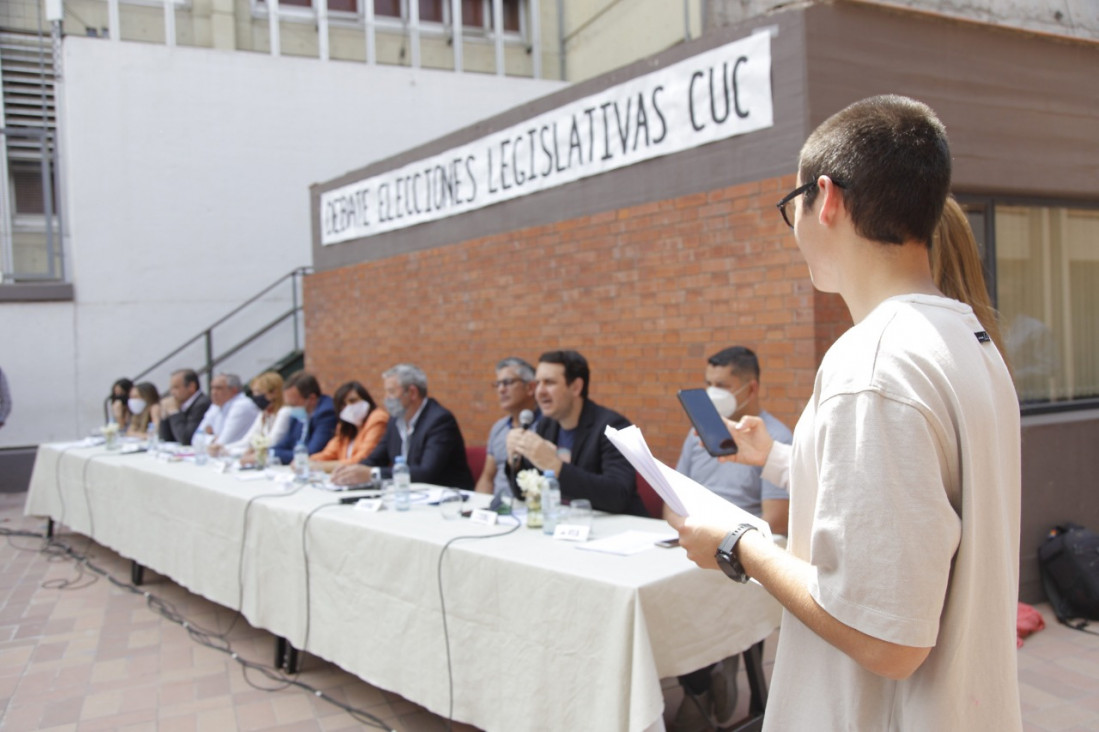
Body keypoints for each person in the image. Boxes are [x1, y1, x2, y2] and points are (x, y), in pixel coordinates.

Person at [670, 95, 1022, 730]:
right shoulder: (965, 341)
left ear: (824, 198)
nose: (795, 225)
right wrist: (780, 457)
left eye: (791, 208)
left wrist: (737, 545)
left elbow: (886, 639)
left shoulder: (872, 366)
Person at [668, 345, 792, 732]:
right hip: (688, 543)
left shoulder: (774, 440)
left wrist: (721, 538)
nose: (711, 393)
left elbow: (775, 522)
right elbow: (672, 502)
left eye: (721, 385)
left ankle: (706, 681)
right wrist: (687, 529)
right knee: (663, 600)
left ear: (749, 388)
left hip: (738, 554)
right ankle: (701, 681)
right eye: (707, 384)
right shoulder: (697, 437)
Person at [506, 350, 644, 516]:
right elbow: (523, 494)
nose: (539, 392)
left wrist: (555, 466)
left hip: (618, 529)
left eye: (549, 383)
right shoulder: (546, 426)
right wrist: (515, 463)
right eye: (538, 383)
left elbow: (618, 495)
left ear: (576, 387)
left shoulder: (613, 427)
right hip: (564, 524)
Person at [331, 363, 474, 489]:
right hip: (407, 496)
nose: (386, 398)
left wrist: (372, 474)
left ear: (412, 392)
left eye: (391, 392)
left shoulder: (439, 420)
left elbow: (426, 472)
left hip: (447, 498)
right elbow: (375, 459)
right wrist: (352, 470)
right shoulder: (394, 421)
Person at [474, 357, 539, 507]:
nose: (501, 389)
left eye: (508, 383)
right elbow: (487, 478)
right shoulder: (498, 428)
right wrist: (478, 508)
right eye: (498, 384)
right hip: (498, 509)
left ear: (530, 388)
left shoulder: (547, 427)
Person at [310, 380, 389, 471]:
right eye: (343, 405)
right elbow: (328, 454)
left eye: (353, 401)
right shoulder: (345, 427)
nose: (349, 407)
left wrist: (319, 466)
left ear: (366, 400)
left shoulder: (377, 418)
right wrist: (307, 461)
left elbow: (362, 459)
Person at [220, 371, 293, 459]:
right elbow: (248, 440)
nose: (255, 396)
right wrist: (224, 448)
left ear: (274, 393)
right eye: (254, 392)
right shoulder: (263, 414)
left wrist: (246, 451)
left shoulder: (284, 412)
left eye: (258, 392)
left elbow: (271, 442)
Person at [270, 371, 337, 465]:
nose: (291, 409)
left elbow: (311, 453)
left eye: (294, 404)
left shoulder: (326, 413)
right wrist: (271, 452)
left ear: (312, 399)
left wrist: (273, 454)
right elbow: (283, 444)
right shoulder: (298, 414)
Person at [194, 373, 260, 450]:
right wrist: (212, 439)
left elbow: (221, 443)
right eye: (212, 388)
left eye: (218, 388)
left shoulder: (242, 406)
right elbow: (195, 439)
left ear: (234, 390)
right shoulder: (215, 406)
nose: (213, 392)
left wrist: (208, 437)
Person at [158, 368, 212, 446]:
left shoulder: (202, 404)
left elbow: (186, 439)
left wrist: (174, 411)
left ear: (191, 387)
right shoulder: (180, 403)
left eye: (176, 388)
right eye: (171, 388)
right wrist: (164, 416)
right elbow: (165, 439)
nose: (172, 392)